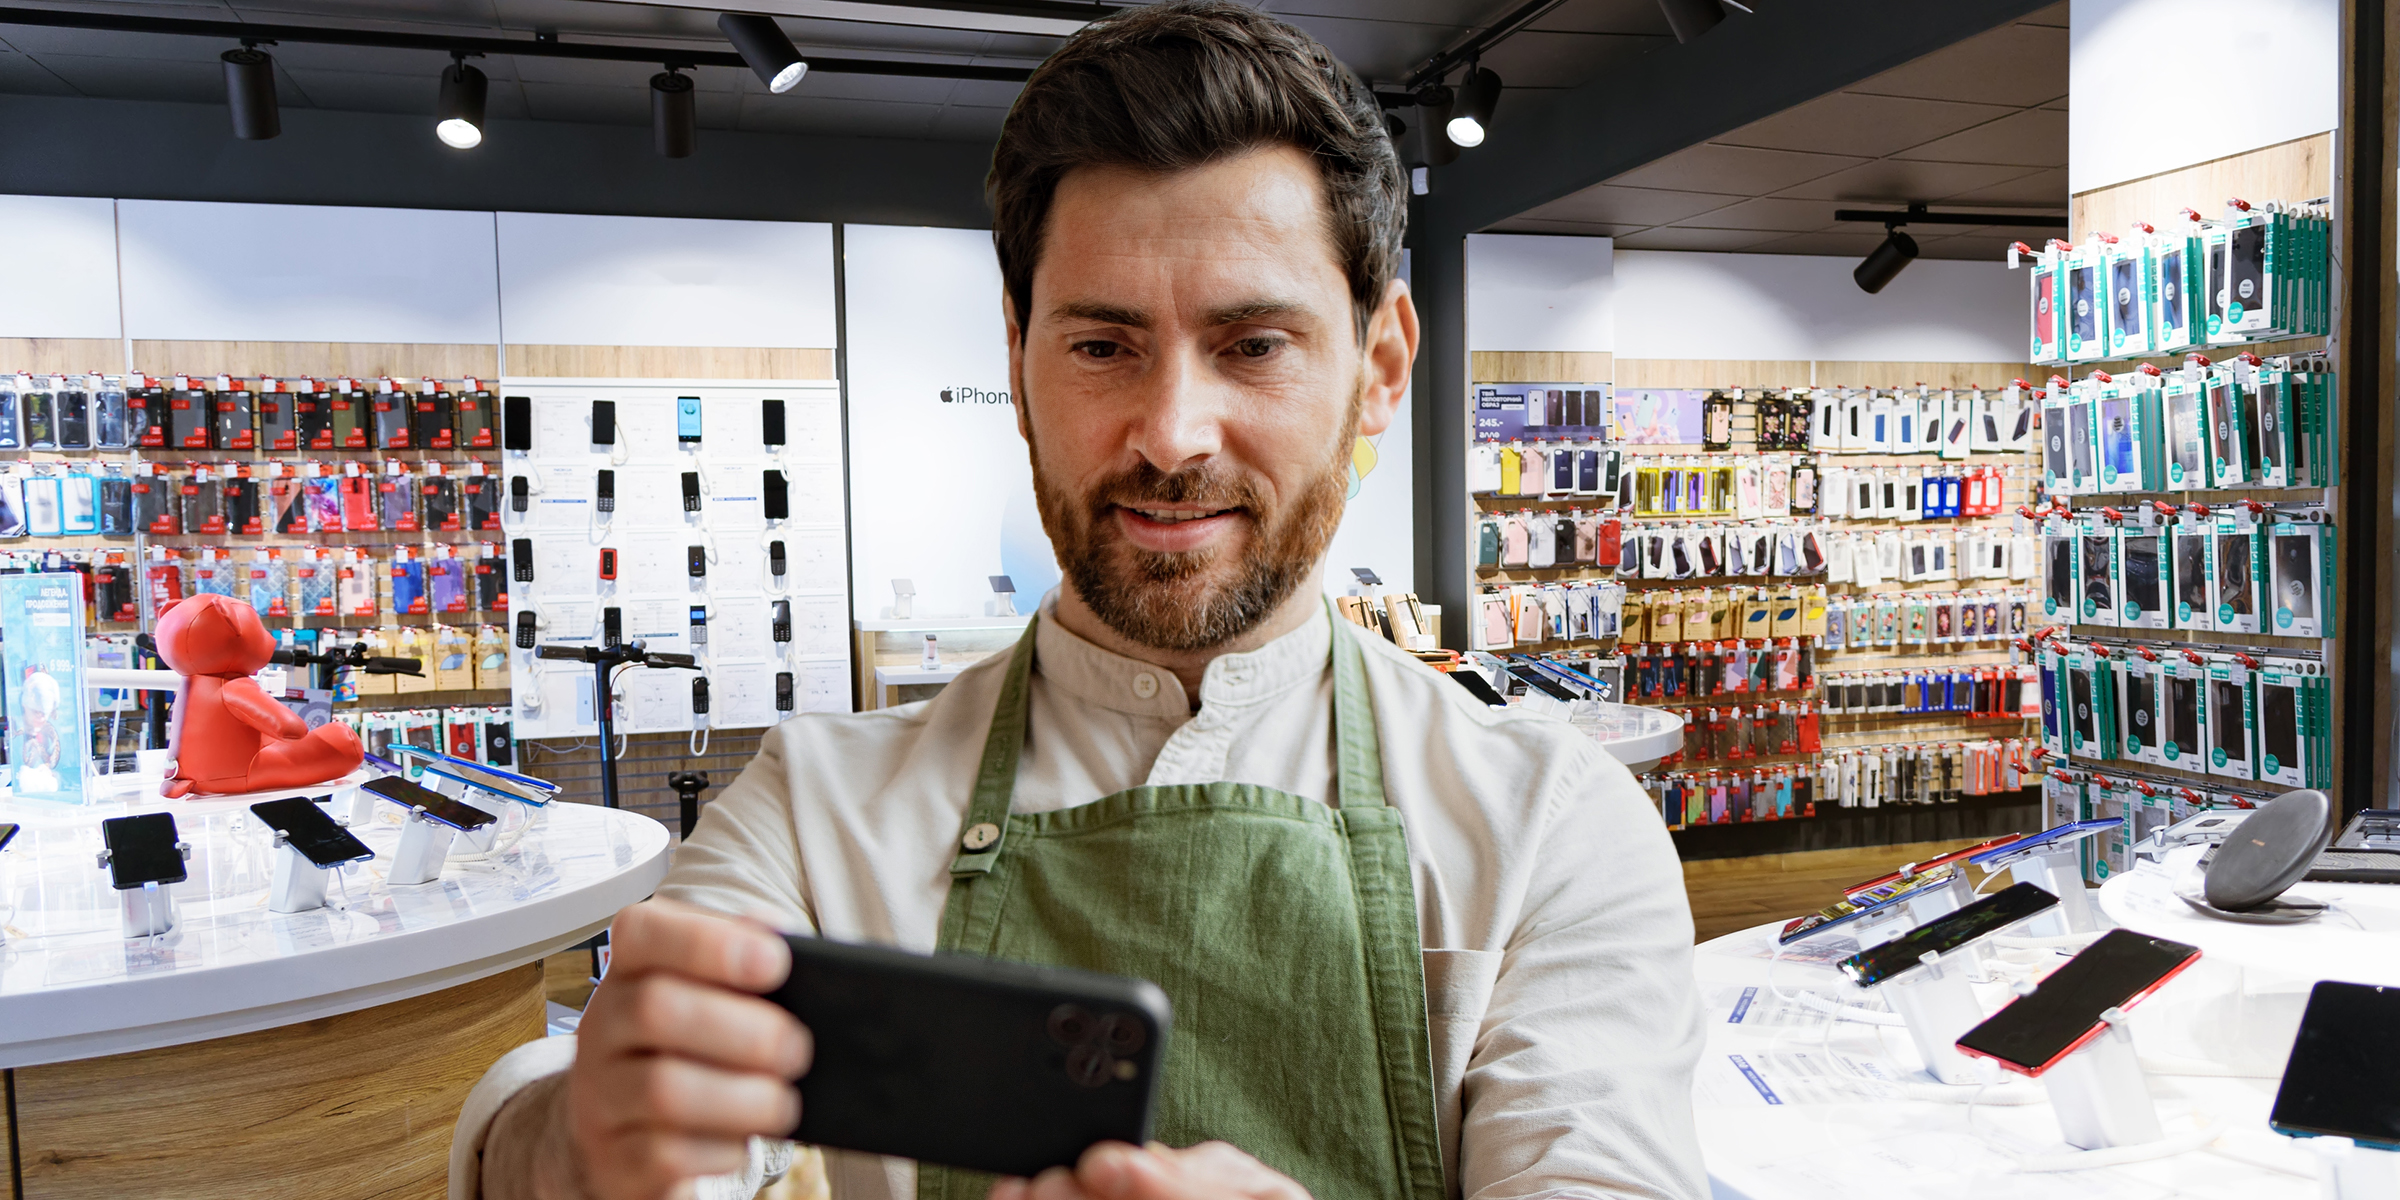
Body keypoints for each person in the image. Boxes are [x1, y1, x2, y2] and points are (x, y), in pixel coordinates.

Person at [453, 4, 1704, 1198]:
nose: (1169, 435)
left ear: (1379, 369)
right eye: (1102, 346)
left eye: (1253, 345)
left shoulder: (1546, 823)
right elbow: (585, 1105)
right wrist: (569, 1148)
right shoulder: (819, 806)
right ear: (1017, 360)